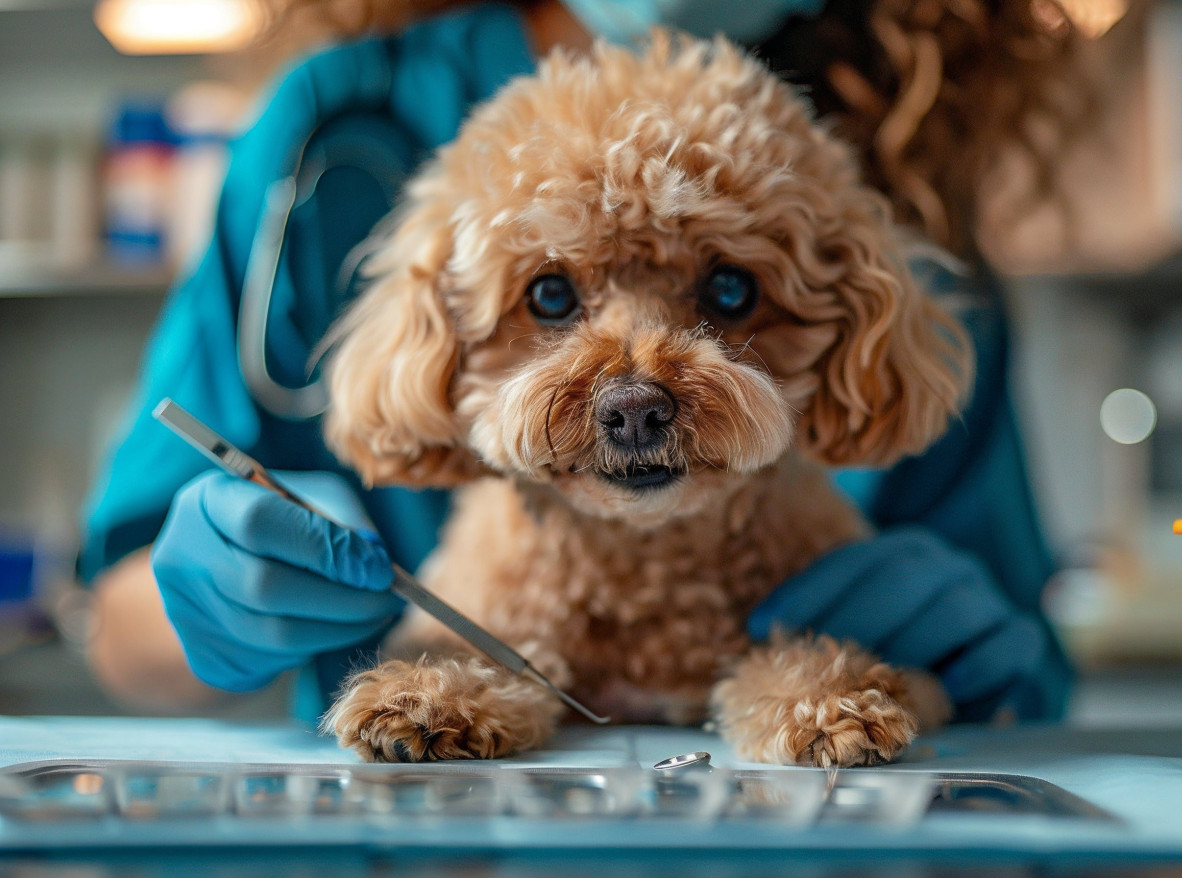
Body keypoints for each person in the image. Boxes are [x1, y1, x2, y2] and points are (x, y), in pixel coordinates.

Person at [81, 0, 1085, 725]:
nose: (635, 390)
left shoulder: (882, 158)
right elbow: (114, 626)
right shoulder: (337, 126)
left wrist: (970, 669)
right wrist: (208, 609)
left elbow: (1026, 675)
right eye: (551, 299)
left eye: (728, 293)